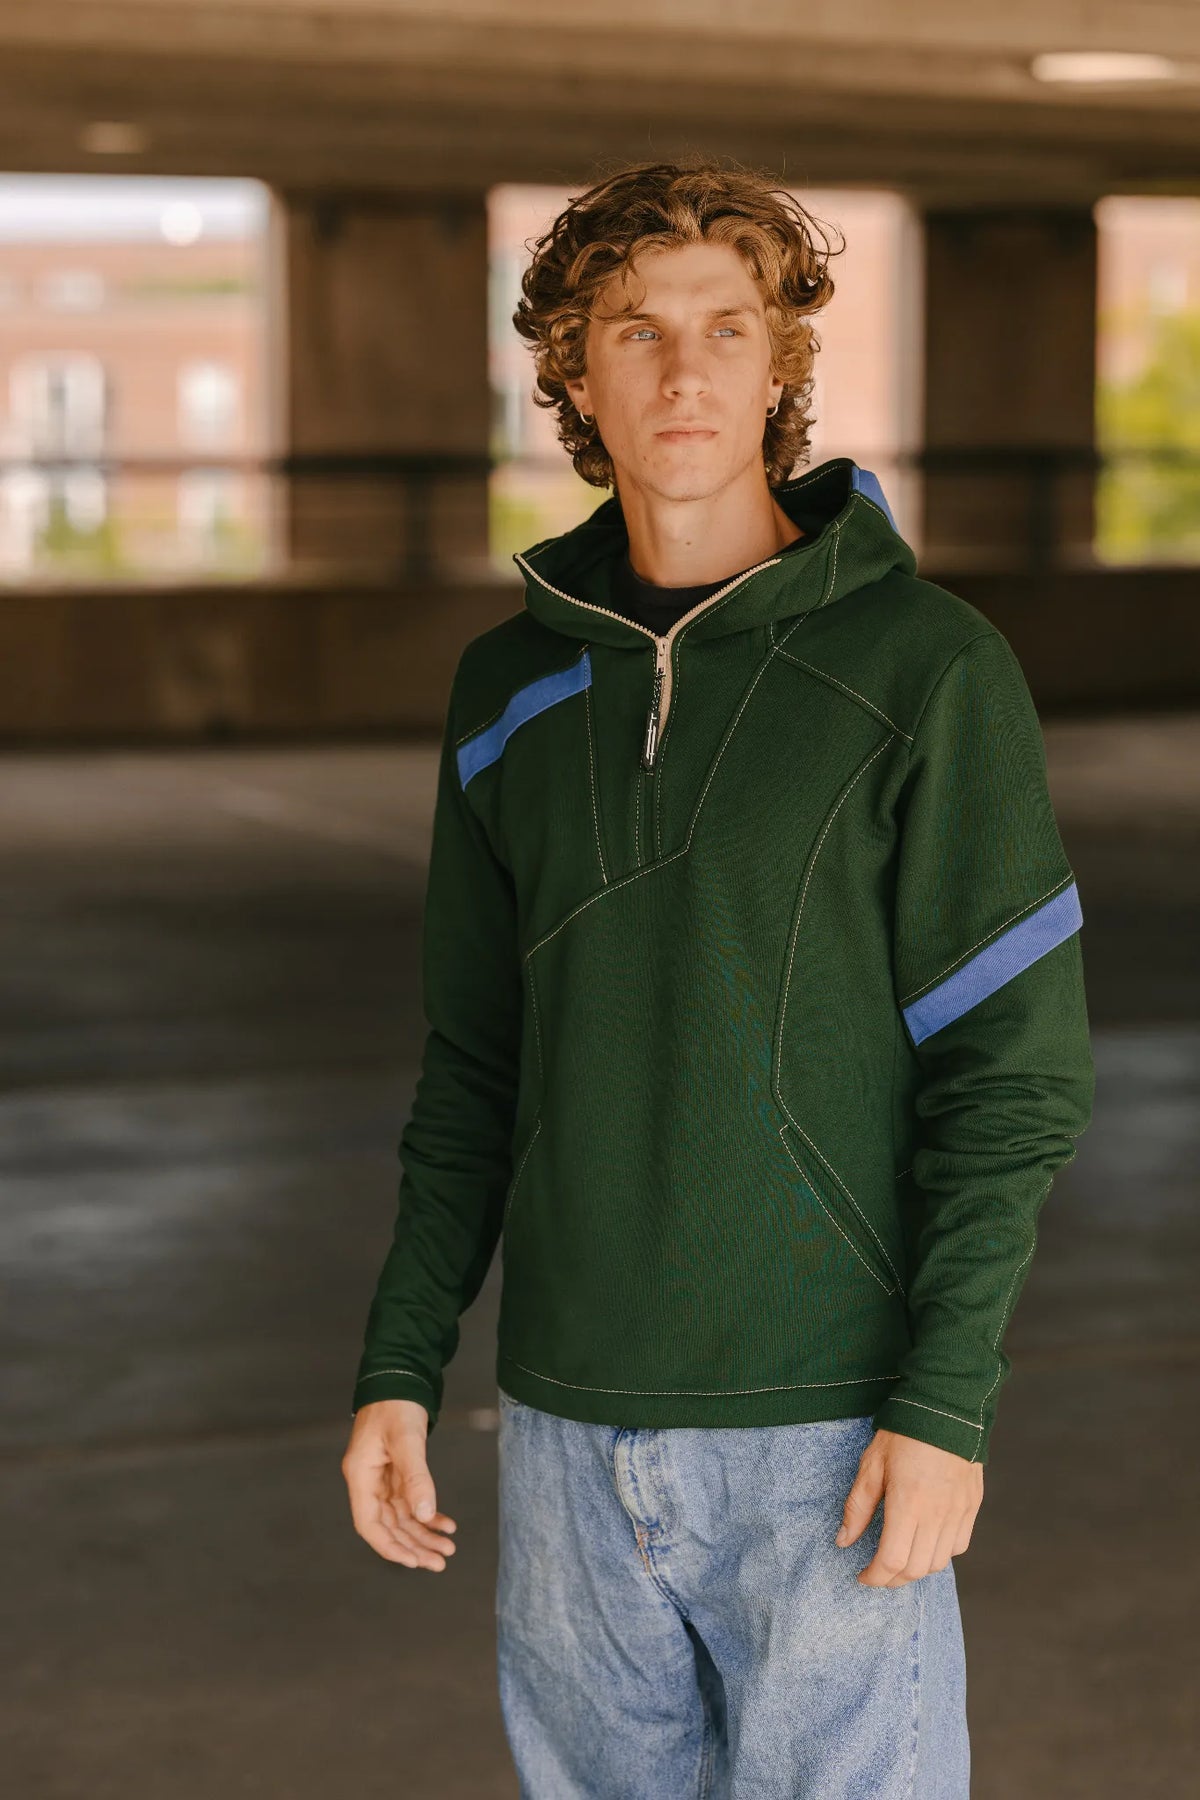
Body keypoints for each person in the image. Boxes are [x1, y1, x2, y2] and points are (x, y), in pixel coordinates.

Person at [341, 158, 1095, 1797]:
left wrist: (947, 1403)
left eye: (726, 330)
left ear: (779, 369)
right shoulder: (506, 689)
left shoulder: (929, 669)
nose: (684, 371)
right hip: (561, 1429)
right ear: (573, 377)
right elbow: (474, 1066)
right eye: (636, 332)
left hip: (828, 1426)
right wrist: (402, 1361)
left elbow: (1015, 1076)